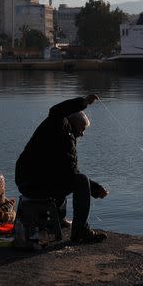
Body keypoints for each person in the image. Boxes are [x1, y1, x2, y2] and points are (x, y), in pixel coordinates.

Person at [15, 94, 109, 244]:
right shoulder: (59, 123)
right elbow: (56, 110)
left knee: (64, 176)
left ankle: (59, 219)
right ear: (74, 123)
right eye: (83, 129)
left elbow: (69, 170)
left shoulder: (61, 134)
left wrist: (96, 189)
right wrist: (83, 102)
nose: (82, 134)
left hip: (26, 181)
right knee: (80, 181)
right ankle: (80, 231)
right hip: (34, 183)